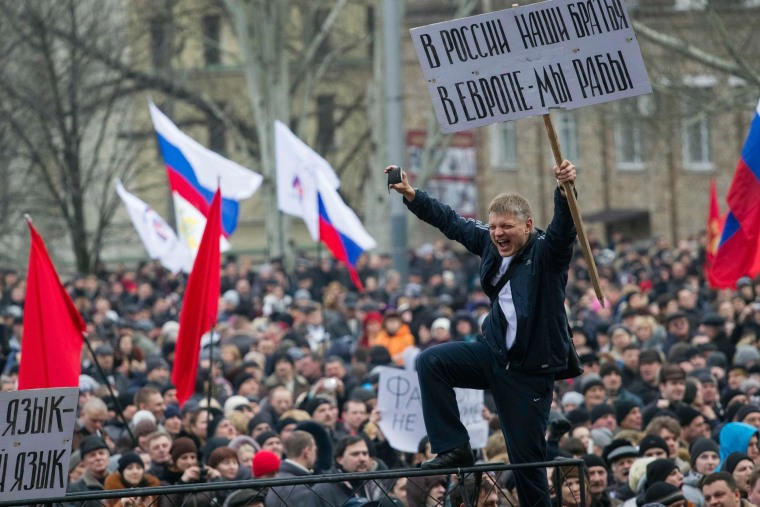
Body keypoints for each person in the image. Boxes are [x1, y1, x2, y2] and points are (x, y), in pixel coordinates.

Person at [386, 160, 578, 507]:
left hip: (528, 373)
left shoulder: (548, 254)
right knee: (431, 362)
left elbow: (565, 230)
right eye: (492, 227)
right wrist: (413, 196)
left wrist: (564, 189)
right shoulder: (489, 243)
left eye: (506, 226)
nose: (498, 234)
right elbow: (452, 222)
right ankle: (454, 448)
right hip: (493, 354)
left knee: (528, 466)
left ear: (528, 225)